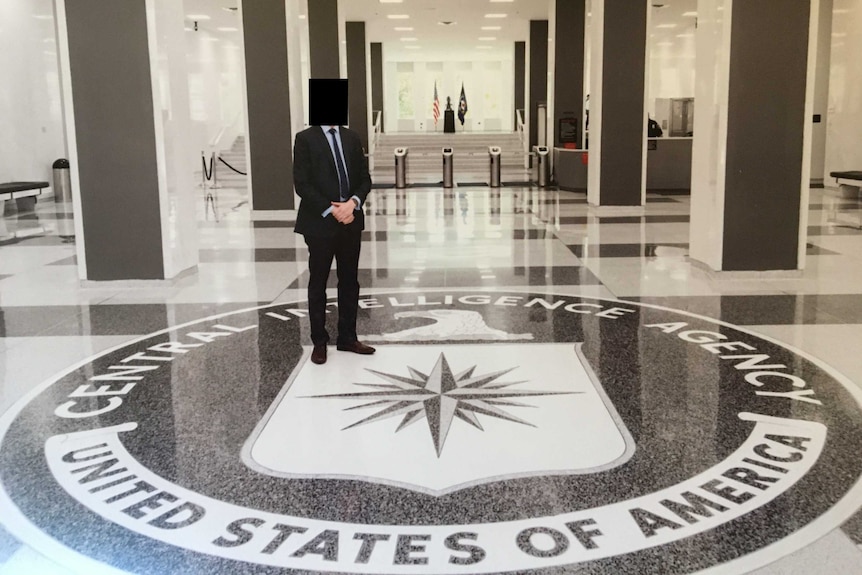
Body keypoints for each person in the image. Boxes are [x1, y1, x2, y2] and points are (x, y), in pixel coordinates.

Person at [293, 121, 375, 365]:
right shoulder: (305, 138)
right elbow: (302, 183)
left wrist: (353, 203)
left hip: (351, 219)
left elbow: (364, 178)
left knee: (349, 280)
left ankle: (348, 337)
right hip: (320, 222)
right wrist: (332, 209)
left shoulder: (352, 137)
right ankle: (319, 341)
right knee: (318, 281)